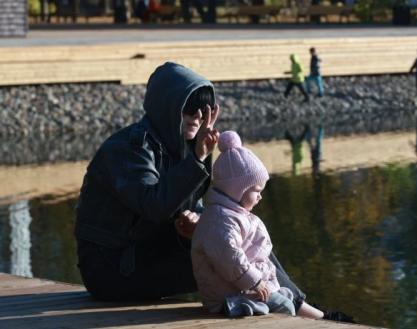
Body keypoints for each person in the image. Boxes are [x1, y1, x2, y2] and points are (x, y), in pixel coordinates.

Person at [74, 62, 220, 301]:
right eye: (189, 109)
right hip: (112, 267)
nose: (197, 117)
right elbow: (155, 205)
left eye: (203, 110)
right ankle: (286, 305)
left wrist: (201, 222)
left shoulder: (177, 147)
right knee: (227, 259)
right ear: (168, 106)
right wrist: (197, 158)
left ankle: (291, 301)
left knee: (241, 235)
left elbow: (190, 207)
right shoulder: (129, 148)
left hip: (147, 252)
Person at [192, 131, 324, 318]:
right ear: (238, 190)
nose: (260, 196)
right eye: (256, 191)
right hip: (227, 295)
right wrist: (254, 282)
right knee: (286, 308)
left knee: (284, 296)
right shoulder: (220, 220)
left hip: (240, 286)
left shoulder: (232, 215)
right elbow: (229, 257)